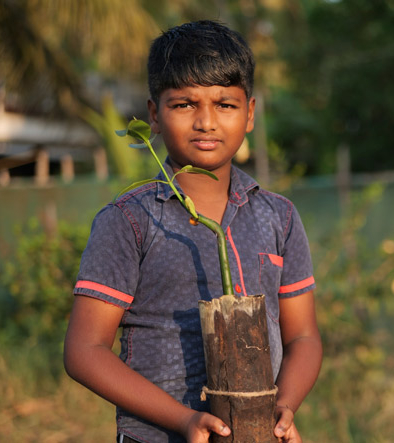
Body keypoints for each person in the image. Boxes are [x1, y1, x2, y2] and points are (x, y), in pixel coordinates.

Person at [63, 20, 322, 443]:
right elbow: (84, 352)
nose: (205, 122)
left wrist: (283, 409)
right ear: (154, 115)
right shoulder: (130, 219)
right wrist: (183, 419)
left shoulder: (280, 217)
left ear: (250, 113)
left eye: (225, 104)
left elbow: (305, 336)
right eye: (184, 105)